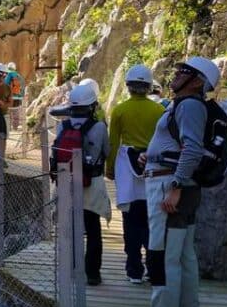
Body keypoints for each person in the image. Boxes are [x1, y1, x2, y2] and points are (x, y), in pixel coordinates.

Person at [133, 56, 220, 307]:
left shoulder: (190, 106)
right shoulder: (185, 106)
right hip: (174, 181)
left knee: (161, 257)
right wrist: (151, 155)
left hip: (170, 187)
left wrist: (176, 186)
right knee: (183, 257)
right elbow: (180, 146)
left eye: (184, 71)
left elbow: (192, 149)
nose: (176, 73)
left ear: (197, 81)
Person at [106, 64, 165, 284]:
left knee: (130, 220)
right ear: (149, 86)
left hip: (127, 168)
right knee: (151, 220)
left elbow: (113, 142)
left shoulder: (120, 111)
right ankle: (152, 267)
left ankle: (133, 270)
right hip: (152, 167)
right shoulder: (160, 111)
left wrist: (109, 168)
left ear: (128, 86)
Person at [54, 83, 110, 286]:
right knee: (93, 228)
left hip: (67, 182)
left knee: (71, 227)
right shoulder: (100, 127)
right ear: (92, 106)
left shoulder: (62, 126)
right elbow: (106, 151)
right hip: (91, 182)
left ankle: (72, 268)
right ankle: (93, 273)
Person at [5, 62, 25, 130]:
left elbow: (5, 85)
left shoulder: (7, 75)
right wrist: (21, 97)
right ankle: (15, 127)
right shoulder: (18, 76)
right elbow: (22, 86)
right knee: (16, 111)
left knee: (8, 112)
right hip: (18, 98)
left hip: (9, 97)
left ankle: (8, 127)